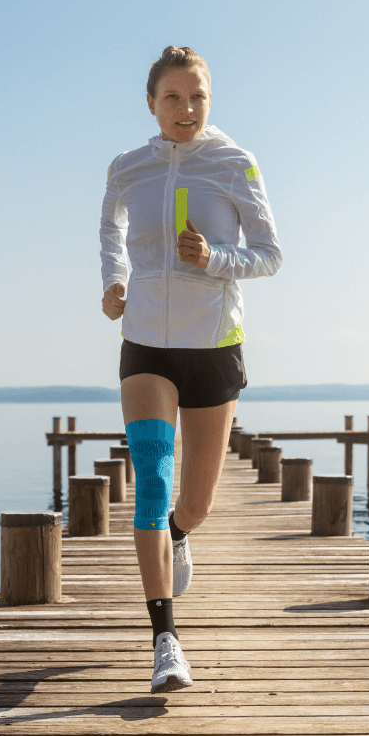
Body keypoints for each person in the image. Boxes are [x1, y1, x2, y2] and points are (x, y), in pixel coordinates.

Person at [100, 46, 282, 693]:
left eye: (197, 97)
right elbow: (110, 231)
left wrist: (214, 258)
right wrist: (114, 282)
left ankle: (179, 533)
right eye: (173, 97)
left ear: (210, 100)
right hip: (146, 342)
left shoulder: (235, 163)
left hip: (213, 343)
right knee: (151, 481)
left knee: (195, 504)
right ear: (152, 103)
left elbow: (270, 254)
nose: (186, 108)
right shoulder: (128, 168)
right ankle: (165, 640)